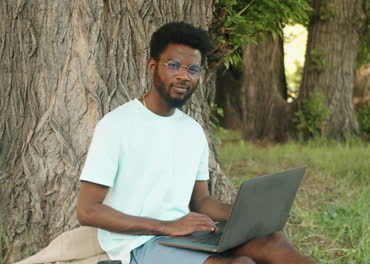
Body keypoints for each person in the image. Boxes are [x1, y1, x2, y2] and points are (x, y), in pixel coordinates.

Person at [76, 22, 317, 264]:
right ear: (152, 66)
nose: (183, 76)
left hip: (188, 234)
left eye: (193, 69)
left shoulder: (192, 130)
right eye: (174, 66)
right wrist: (167, 226)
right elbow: (87, 210)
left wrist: (242, 215)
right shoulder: (116, 125)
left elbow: (200, 201)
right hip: (141, 242)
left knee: (274, 241)